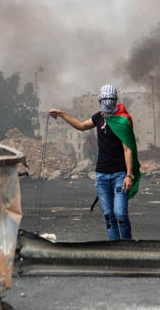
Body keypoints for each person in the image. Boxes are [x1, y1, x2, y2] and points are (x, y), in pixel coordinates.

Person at [49, 84, 142, 241]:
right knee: (108, 216)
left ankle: (128, 246)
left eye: (110, 99)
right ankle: (114, 249)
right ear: (100, 100)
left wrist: (129, 175)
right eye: (105, 99)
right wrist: (62, 114)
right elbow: (81, 126)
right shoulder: (99, 117)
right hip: (101, 175)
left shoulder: (122, 121)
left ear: (115, 100)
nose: (107, 102)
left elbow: (128, 150)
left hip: (120, 174)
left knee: (120, 214)